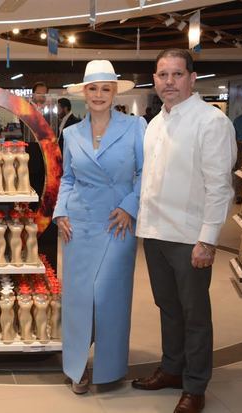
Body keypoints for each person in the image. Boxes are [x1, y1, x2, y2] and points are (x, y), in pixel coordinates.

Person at [133, 49, 236, 413]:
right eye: (162, 75)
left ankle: (195, 385)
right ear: (155, 80)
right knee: (168, 308)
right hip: (156, 234)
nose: (169, 82)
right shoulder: (155, 123)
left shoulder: (210, 122)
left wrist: (208, 239)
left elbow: (220, 186)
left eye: (177, 74)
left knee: (194, 314)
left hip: (190, 237)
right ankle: (172, 369)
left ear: (192, 79)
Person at [53, 59, 145, 394]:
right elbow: (67, 178)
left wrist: (129, 206)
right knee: (78, 300)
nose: (99, 95)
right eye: (93, 88)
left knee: (109, 296)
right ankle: (77, 368)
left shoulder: (136, 127)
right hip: (78, 226)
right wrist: (61, 212)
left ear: (114, 92)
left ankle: (110, 367)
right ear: (84, 93)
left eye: (106, 88)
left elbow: (144, 174)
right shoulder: (71, 133)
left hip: (118, 223)